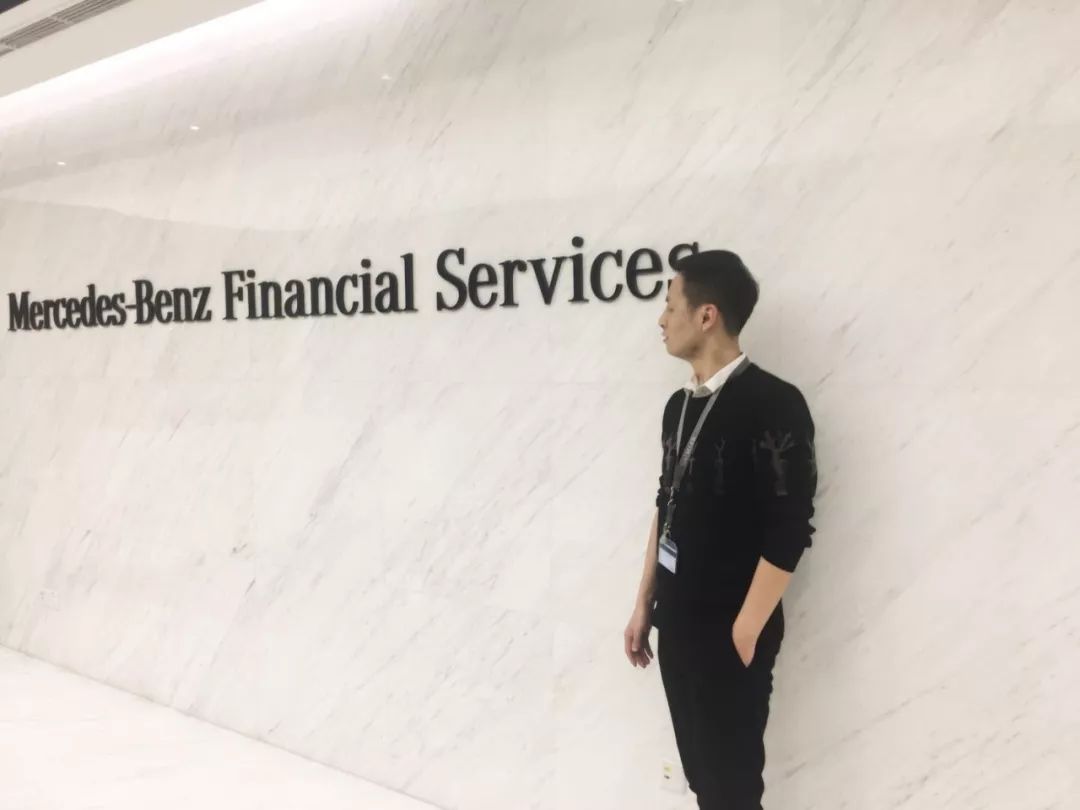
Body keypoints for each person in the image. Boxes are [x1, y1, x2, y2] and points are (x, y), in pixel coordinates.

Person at [623, 250, 818, 810]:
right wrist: (643, 603)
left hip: (731, 631)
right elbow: (666, 502)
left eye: (670, 306)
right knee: (703, 779)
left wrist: (745, 630)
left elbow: (790, 528)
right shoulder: (676, 407)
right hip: (677, 622)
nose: (662, 320)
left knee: (733, 789)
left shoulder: (776, 404)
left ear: (706, 315)